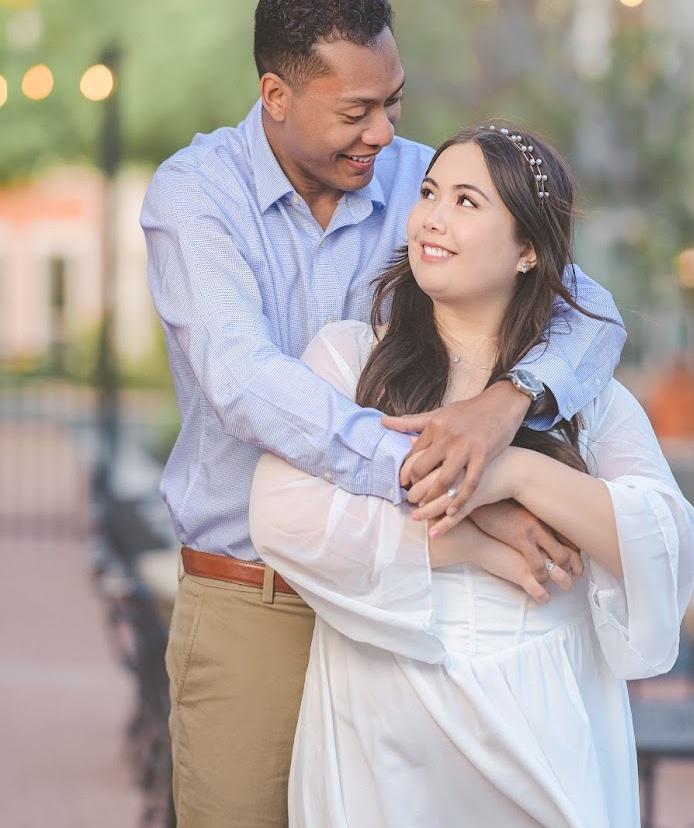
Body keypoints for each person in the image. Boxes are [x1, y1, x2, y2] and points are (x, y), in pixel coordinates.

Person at [141, 2, 626, 825]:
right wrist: (439, 475)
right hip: (261, 601)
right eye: (356, 111)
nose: (383, 131)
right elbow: (242, 378)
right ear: (276, 94)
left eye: (393, 102)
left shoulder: (425, 185)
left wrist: (505, 408)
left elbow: (590, 311)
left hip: (409, 614)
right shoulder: (195, 196)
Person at [249, 124, 694, 827]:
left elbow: (664, 536)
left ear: (527, 249)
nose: (432, 215)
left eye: (467, 201)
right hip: (378, 716)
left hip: (538, 720)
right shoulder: (347, 361)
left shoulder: (585, 398)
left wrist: (514, 471)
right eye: (429, 192)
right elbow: (282, 516)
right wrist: (467, 542)